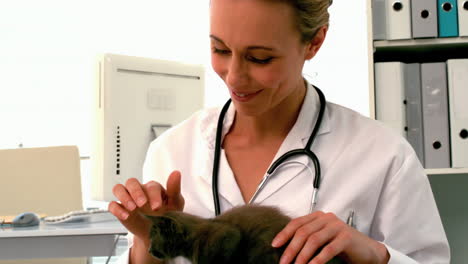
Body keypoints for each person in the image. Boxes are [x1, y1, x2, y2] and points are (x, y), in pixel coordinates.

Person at [110, 0, 450, 263]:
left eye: (259, 58)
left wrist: (376, 254)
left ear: (314, 43)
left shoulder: (382, 155)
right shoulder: (171, 151)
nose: (234, 77)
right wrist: (147, 238)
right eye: (220, 50)